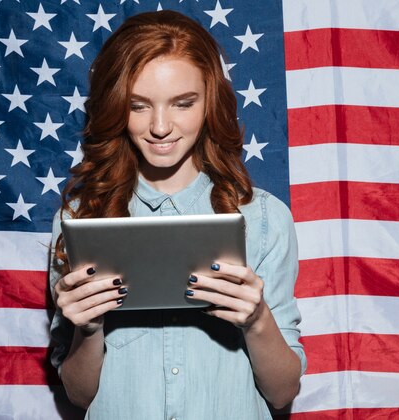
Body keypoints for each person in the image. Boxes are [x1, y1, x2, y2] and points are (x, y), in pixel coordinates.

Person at [49, 10, 306, 419]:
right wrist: (87, 328)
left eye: (183, 103)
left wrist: (257, 320)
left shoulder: (263, 218)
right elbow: (79, 395)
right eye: (138, 106)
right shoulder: (83, 218)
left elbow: (282, 392)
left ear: (210, 102)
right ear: (116, 106)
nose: (160, 126)